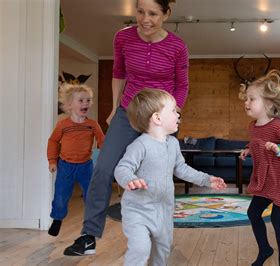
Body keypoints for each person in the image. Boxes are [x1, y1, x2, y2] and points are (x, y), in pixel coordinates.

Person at [64, 0, 190, 256]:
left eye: (153, 14)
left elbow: (182, 85)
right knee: (103, 168)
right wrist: (113, 109)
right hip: (128, 112)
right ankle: (89, 236)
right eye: (140, 12)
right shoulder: (123, 38)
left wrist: (172, 115)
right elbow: (119, 74)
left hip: (160, 116)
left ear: (166, 14)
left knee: (159, 179)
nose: (145, 19)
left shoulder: (177, 46)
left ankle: (159, 234)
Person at [114, 89, 226, 265]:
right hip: (138, 211)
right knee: (140, 248)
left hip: (164, 210)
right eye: (174, 110)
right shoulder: (140, 145)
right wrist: (129, 179)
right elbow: (122, 167)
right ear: (157, 118)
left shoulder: (173, 143)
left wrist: (207, 179)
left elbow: (181, 168)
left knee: (162, 250)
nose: (178, 115)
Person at [239, 70, 280, 266]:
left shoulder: (278, 126)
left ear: (268, 103)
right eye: (246, 98)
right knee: (253, 213)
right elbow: (257, 143)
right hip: (266, 179)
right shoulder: (253, 126)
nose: (246, 102)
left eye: (251, 99)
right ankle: (265, 249)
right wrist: (249, 149)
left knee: (277, 218)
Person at [47, 84, 105, 237]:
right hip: (65, 165)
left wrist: (105, 159)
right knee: (61, 195)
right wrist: (52, 161)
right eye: (81, 100)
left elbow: (102, 141)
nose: (85, 103)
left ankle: (91, 222)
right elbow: (53, 141)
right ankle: (57, 219)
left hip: (86, 166)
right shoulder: (63, 125)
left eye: (88, 100)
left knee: (90, 195)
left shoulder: (92, 125)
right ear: (69, 105)